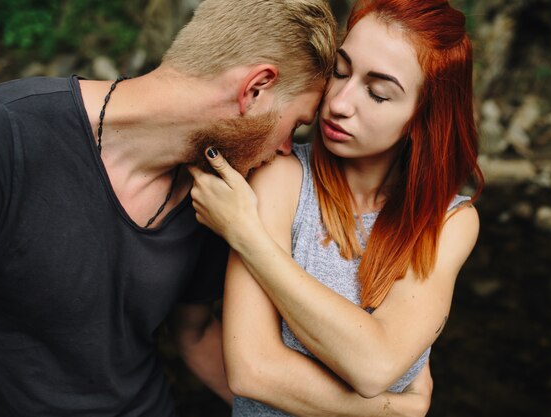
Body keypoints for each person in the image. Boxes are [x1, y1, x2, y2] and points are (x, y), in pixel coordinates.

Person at [0, 1, 342, 416]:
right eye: (295, 124)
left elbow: (193, 335)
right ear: (255, 88)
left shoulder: (219, 196)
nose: (287, 149)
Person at [189, 0, 484, 415]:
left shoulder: (450, 222)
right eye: (341, 71)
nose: (340, 103)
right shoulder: (283, 176)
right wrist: (393, 411)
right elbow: (251, 370)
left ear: (423, 117)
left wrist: (247, 235)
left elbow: (373, 365)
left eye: (378, 93)